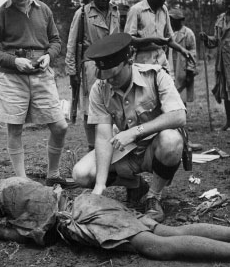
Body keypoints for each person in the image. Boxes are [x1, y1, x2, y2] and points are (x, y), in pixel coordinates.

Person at [0, 177, 230, 262]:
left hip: (79, 215)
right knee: (169, 231)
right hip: (88, 201)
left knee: (155, 246)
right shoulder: (19, 183)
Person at [72, 33, 187, 223]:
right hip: (125, 150)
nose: (110, 81)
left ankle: (153, 196)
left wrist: (135, 132)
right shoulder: (100, 89)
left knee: (171, 140)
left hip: (154, 147)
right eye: (106, 77)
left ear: (130, 60)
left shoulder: (156, 75)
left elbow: (179, 116)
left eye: (115, 75)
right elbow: (102, 137)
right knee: (81, 175)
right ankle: (135, 185)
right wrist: (99, 187)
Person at [0, 0, 75, 188]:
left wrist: (48, 56)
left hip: (42, 75)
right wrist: (15, 61)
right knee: (14, 129)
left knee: (60, 125)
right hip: (13, 78)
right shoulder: (0, 15)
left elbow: (55, 41)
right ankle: (22, 180)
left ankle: (53, 173)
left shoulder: (43, 10)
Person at [65, 0, 120, 151]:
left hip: (114, 64)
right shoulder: (83, 13)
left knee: (113, 104)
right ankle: (92, 147)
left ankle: (110, 145)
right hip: (91, 65)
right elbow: (72, 44)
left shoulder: (116, 12)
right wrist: (72, 72)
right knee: (91, 108)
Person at [124, 0, 195, 72]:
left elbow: (168, 39)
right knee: (147, 86)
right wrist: (151, 40)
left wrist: (182, 50)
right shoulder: (136, 10)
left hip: (162, 59)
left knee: (168, 86)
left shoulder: (164, 9)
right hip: (143, 62)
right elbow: (129, 40)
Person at [169, 8, 202, 151]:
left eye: (174, 19)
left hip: (182, 73)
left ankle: (184, 141)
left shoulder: (188, 33)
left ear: (180, 20)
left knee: (181, 108)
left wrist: (190, 73)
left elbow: (193, 53)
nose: (171, 21)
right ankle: (173, 139)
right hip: (169, 71)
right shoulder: (168, 32)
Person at [200, 0, 230, 131]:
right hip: (222, 62)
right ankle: (228, 122)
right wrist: (206, 38)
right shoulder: (221, 19)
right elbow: (216, 41)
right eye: (227, 2)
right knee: (225, 90)